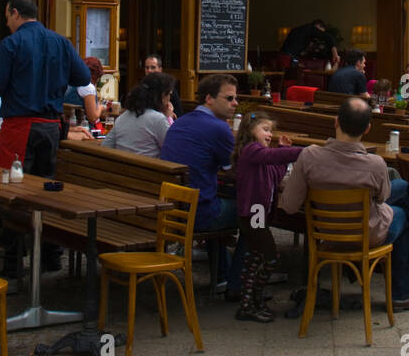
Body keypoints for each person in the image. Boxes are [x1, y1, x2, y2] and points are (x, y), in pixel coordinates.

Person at [278, 98, 409, 311]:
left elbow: (290, 206)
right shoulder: (375, 164)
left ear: (335, 122)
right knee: (403, 212)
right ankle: (405, 290)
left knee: (401, 191)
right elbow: (382, 197)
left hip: (324, 231)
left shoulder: (308, 156)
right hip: (365, 233)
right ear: (367, 129)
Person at [0, 0, 91, 175]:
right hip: (51, 126)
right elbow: (83, 77)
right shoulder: (62, 42)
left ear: (15, 13)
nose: (7, 24)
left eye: (7, 18)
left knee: (14, 183)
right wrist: (59, 76)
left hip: (20, 126)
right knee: (42, 186)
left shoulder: (10, 44)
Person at [159, 74, 242, 294]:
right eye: (230, 98)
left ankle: (223, 275)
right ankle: (239, 280)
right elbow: (235, 172)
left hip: (173, 211)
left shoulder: (182, 122)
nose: (236, 103)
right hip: (200, 214)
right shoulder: (219, 128)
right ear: (209, 99)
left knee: (219, 198)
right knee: (257, 212)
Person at [232, 111, 303, 322]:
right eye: (265, 129)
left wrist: (284, 149)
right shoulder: (250, 151)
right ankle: (251, 301)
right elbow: (272, 157)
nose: (269, 134)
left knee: (255, 257)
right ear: (249, 131)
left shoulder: (261, 155)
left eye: (270, 130)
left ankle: (251, 302)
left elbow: (276, 170)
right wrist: (302, 153)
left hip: (259, 213)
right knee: (270, 256)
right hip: (253, 213)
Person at [105, 72, 176, 157]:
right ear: (162, 95)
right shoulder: (158, 119)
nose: (169, 98)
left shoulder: (123, 117)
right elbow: (173, 148)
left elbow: (106, 146)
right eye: (169, 94)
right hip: (149, 169)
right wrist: (168, 118)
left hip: (122, 168)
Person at [63, 57, 104, 127]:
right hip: (81, 129)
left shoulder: (69, 83)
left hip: (65, 128)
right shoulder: (87, 86)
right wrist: (101, 107)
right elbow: (93, 118)